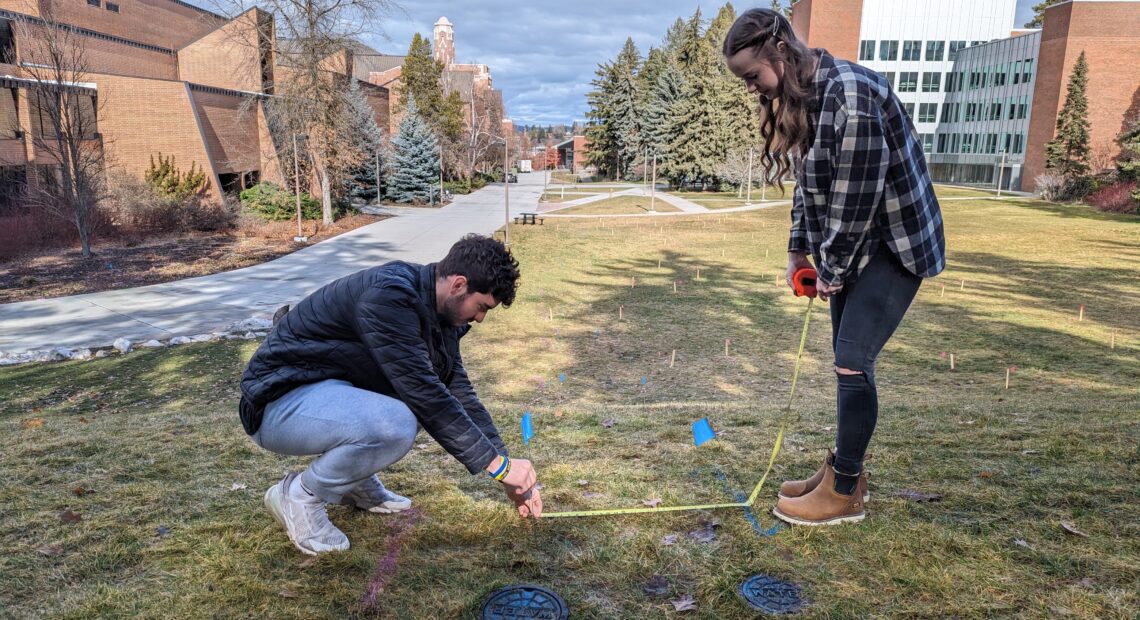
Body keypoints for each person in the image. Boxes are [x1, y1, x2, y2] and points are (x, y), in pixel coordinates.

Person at [723, 9, 945, 526]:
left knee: (852, 360)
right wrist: (798, 251)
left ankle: (844, 493)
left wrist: (833, 268)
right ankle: (841, 473)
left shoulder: (851, 96)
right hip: (857, 245)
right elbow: (810, 184)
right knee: (846, 362)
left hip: (895, 245)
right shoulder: (806, 98)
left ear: (779, 51)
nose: (754, 90)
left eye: (753, 76)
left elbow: (854, 200)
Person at [238, 234, 542, 555]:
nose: (480, 318)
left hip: (323, 395)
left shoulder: (440, 315)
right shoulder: (390, 297)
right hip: (274, 405)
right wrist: (498, 467)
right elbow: (426, 395)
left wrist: (507, 469)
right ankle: (300, 496)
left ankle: (355, 481)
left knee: (412, 404)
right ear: (458, 285)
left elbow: (456, 392)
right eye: (481, 307)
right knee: (397, 422)